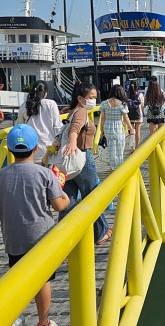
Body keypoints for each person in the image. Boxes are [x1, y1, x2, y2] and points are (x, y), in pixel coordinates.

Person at [0, 124, 69, 326]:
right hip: (41, 238)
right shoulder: (45, 174)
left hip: (13, 239)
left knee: (17, 280)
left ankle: (11, 324)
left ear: (10, 150)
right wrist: (66, 197)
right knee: (42, 281)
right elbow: (59, 205)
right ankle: (43, 325)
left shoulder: (0, 176)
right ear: (35, 149)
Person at [58, 82, 112, 245]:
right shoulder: (81, 111)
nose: (94, 101)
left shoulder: (72, 111)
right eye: (91, 98)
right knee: (92, 196)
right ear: (81, 98)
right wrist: (73, 143)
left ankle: (64, 240)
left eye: (95, 97)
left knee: (68, 200)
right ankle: (100, 232)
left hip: (68, 162)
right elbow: (74, 130)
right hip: (81, 158)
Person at [17, 81, 63, 164]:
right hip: (50, 147)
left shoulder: (24, 106)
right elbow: (57, 126)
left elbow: (19, 126)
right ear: (45, 93)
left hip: (32, 148)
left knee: (35, 174)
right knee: (50, 174)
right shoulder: (51, 104)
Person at [100, 84, 135, 171]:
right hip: (118, 126)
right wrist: (131, 128)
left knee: (111, 147)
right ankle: (119, 167)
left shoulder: (104, 103)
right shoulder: (121, 104)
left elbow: (102, 118)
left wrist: (101, 130)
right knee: (120, 147)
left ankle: (112, 168)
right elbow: (126, 117)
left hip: (107, 126)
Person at [126, 82, 144, 151]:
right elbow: (142, 105)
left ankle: (132, 148)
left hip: (129, 116)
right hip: (138, 116)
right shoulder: (140, 95)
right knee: (138, 132)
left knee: (131, 132)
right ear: (137, 87)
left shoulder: (127, 95)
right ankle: (136, 147)